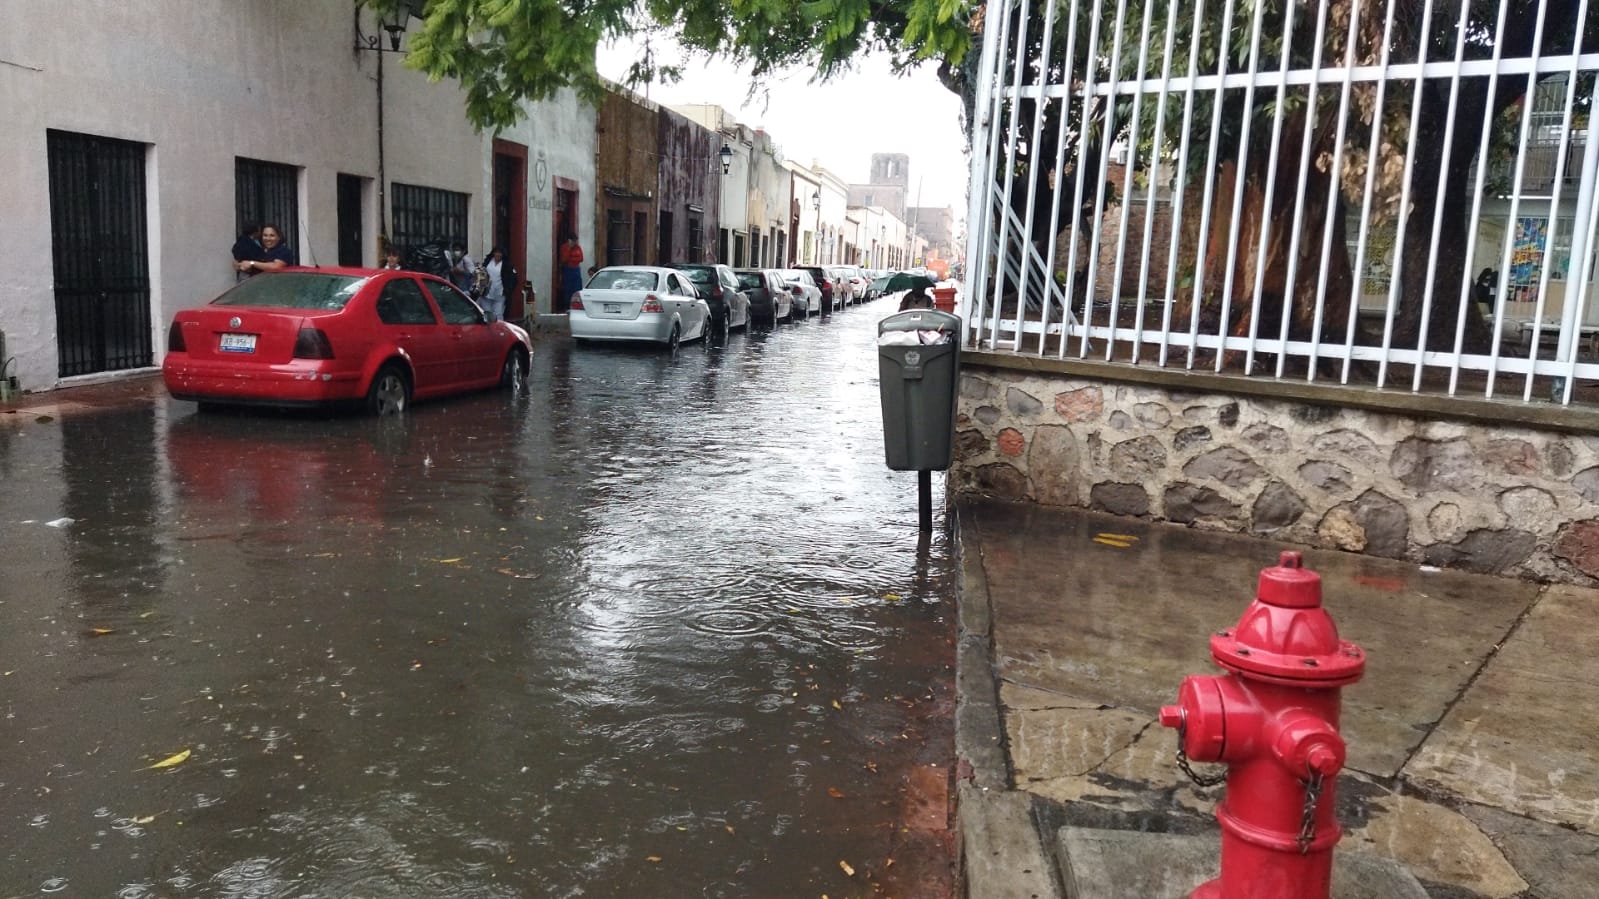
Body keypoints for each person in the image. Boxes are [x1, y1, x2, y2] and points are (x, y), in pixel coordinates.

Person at [482, 246, 517, 323]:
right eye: (496, 252)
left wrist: (508, 290)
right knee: (487, 314)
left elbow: (513, 279)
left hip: (500, 293)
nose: (498, 254)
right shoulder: (488, 262)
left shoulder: (506, 265)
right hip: (487, 293)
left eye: (500, 253)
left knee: (498, 314)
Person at [559, 234, 585, 309]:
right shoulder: (564, 247)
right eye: (573, 241)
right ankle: (567, 306)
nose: (575, 242)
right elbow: (564, 259)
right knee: (568, 288)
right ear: (569, 241)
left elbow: (581, 258)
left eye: (576, 241)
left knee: (577, 288)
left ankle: (577, 305)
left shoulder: (578, 247)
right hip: (568, 269)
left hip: (576, 269)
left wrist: (571, 259)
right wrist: (569, 249)